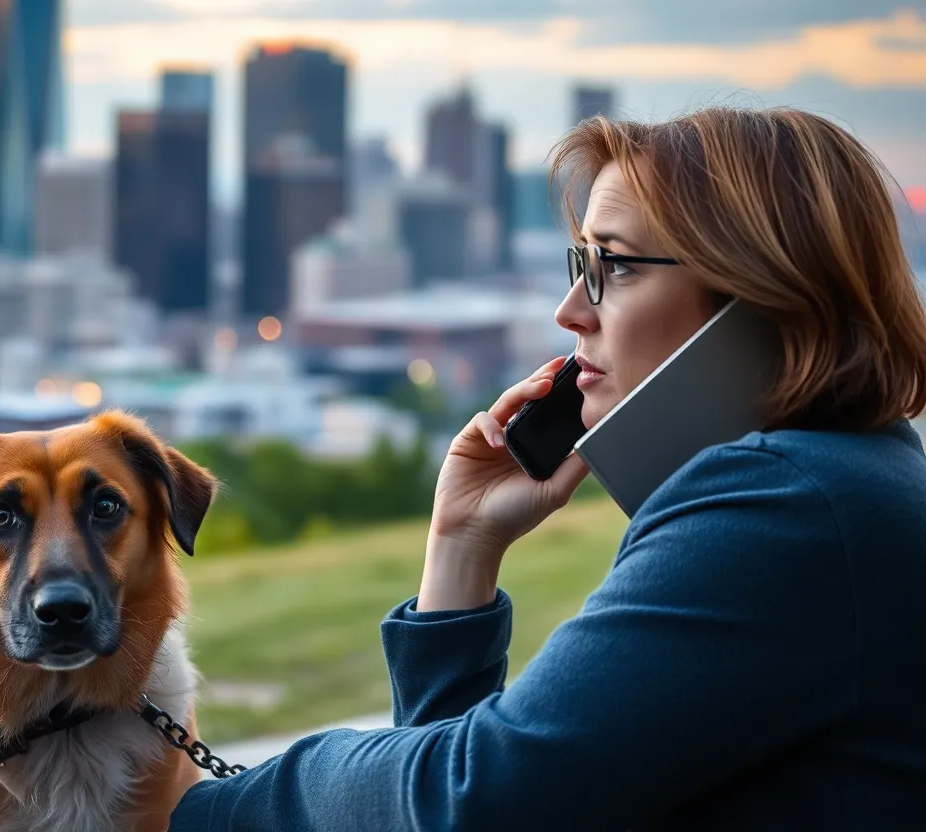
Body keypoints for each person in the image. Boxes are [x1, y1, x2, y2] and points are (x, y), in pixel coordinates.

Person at [169, 106, 926, 831]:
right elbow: (487, 803)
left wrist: (198, 811)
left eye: (615, 267)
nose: (570, 310)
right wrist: (463, 546)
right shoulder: (853, 479)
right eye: (581, 262)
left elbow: (476, 800)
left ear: (761, 289)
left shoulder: (784, 506)